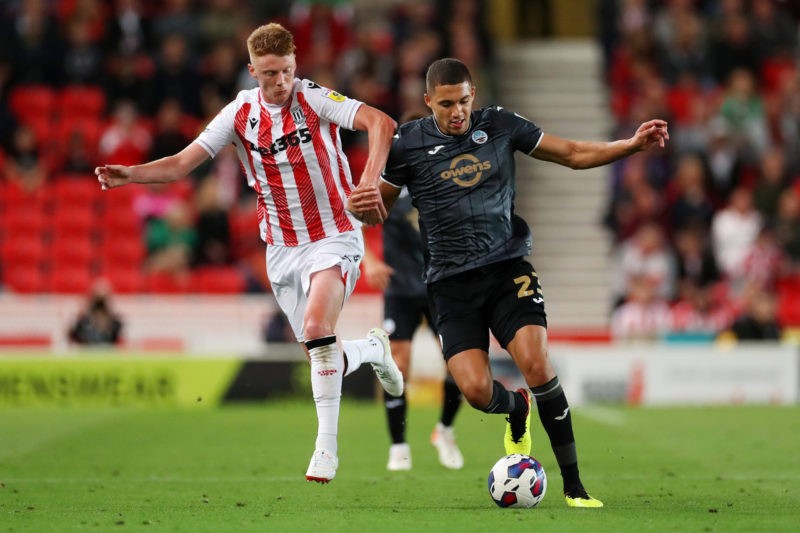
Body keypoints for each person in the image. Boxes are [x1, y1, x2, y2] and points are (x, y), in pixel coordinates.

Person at [348, 58, 669, 508]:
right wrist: (358, 206)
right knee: (477, 392)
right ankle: (517, 409)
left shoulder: (499, 124)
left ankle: (575, 486)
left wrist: (631, 146)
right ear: (428, 103)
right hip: (449, 284)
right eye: (445, 104)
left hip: (506, 269)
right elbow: (373, 209)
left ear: (473, 94)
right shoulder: (407, 144)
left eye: (463, 101)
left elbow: (573, 153)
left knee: (537, 363)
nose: (456, 111)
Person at [95, 23, 402, 484]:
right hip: (280, 250)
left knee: (319, 329)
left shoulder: (313, 97)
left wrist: (367, 182)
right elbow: (182, 163)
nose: (278, 83)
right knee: (324, 355)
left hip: (334, 236)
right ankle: (374, 349)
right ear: (250, 70)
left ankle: (326, 449)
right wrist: (131, 174)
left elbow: (382, 122)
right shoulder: (239, 113)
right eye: (267, 74)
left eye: (285, 71)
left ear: (295, 64)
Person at [361, 109, 464, 471]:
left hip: (442, 286)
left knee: (460, 366)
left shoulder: (450, 176)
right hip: (401, 288)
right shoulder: (386, 178)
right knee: (398, 365)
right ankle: (399, 447)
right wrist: (369, 261)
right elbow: (353, 220)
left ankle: (445, 430)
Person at [68, 279, 124, 346]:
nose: (100, 303)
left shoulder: (115, 321)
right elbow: (73, 336)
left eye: (103, 299)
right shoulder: (83, 319)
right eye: (97, 298)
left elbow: (116, 339)